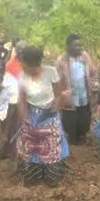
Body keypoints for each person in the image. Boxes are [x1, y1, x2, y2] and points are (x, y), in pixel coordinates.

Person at [16, 46, 69, 186]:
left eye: (24, 62)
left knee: (51, 145)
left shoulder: (50, 72)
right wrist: (25, 119)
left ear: (32, 63)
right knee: (31, 145)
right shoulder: (22, 76)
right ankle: (33, 176)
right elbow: (21, 101)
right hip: (32, 113)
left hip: (49, 113)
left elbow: (59, 95)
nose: (22, 65)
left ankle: (52, 177)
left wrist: (53, 112)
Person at [56, 34, 98, 145]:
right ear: (68, 46)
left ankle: (82, 138)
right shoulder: (62, 60)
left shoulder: (85, 56)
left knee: (84, 119)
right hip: (69, 97)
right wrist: (62, 94)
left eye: (80, 45)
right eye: (75, 45)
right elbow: (57, 80)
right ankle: (72, 142)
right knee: (70, 120)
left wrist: (94, 85)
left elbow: (93, 72)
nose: (78, 48)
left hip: (84, 94)